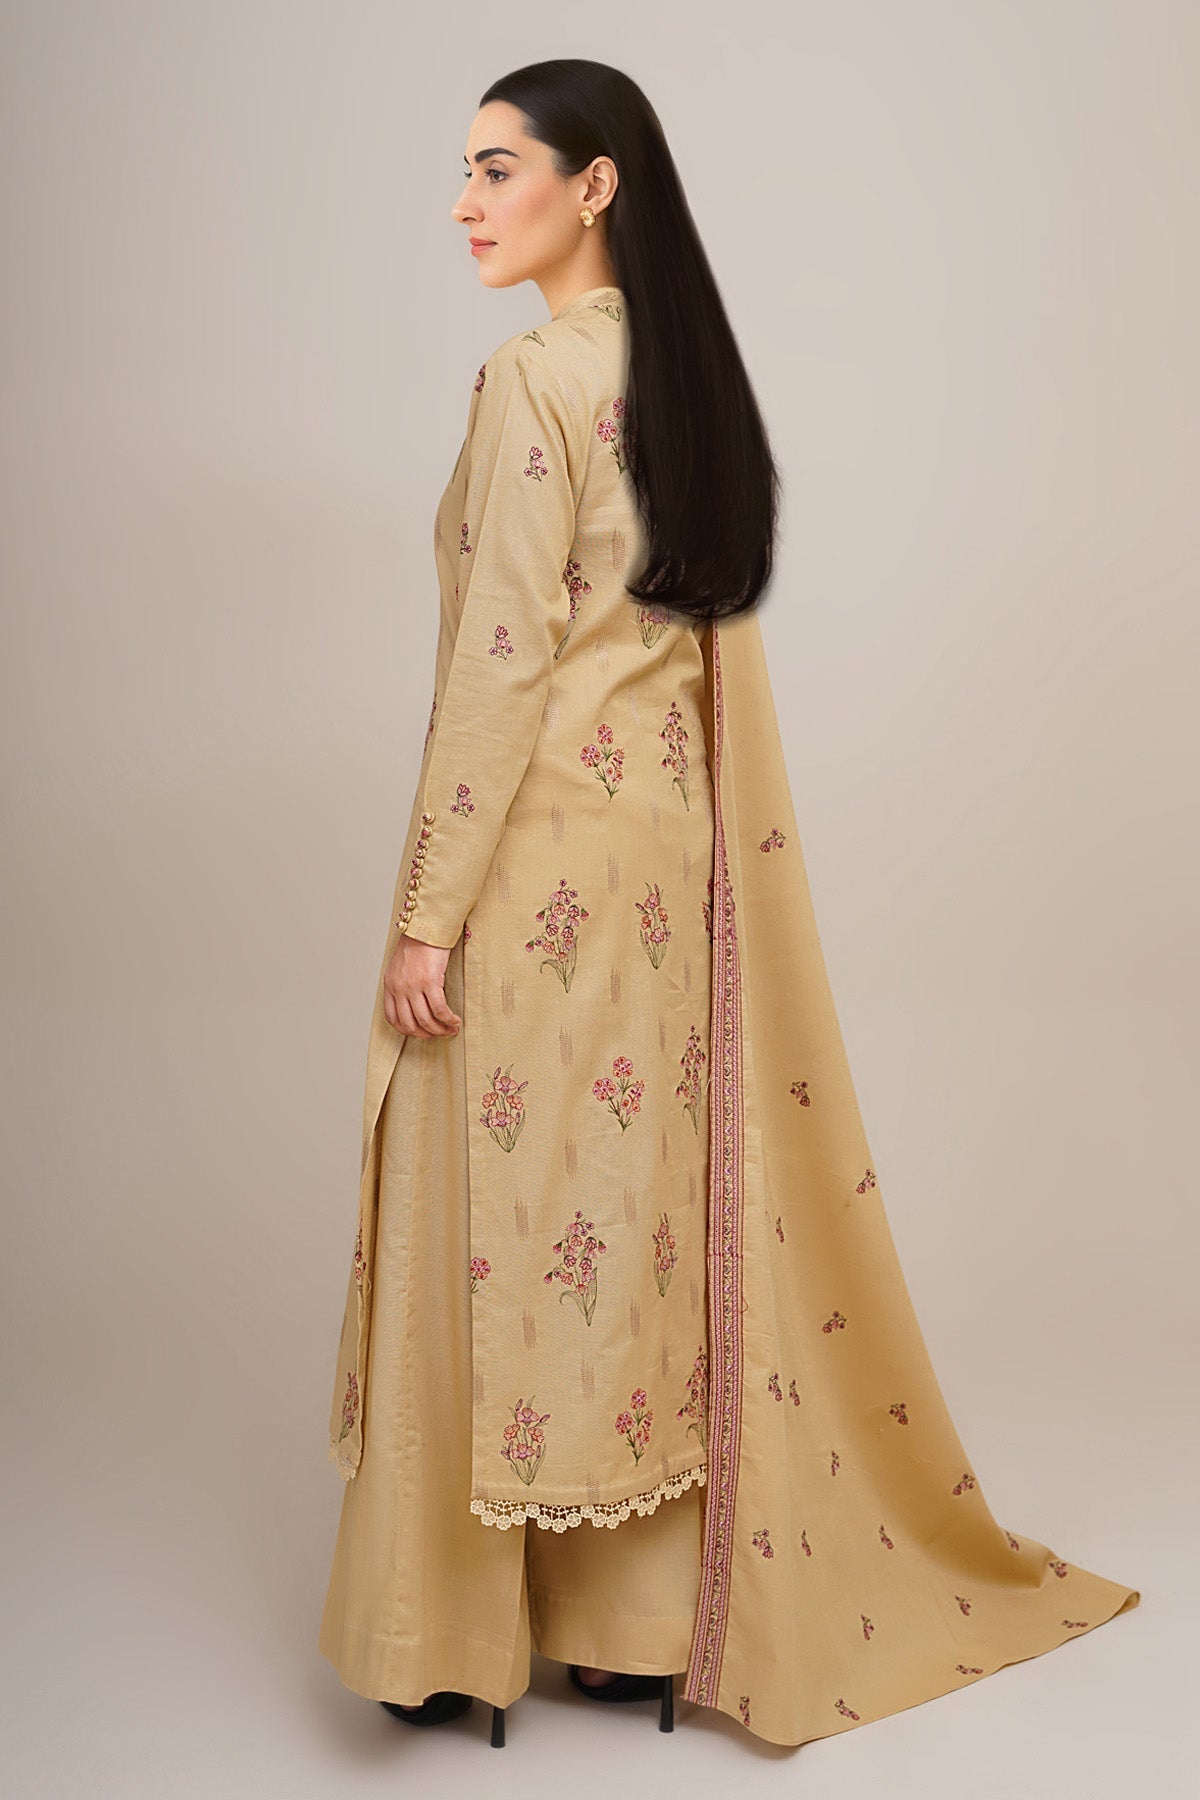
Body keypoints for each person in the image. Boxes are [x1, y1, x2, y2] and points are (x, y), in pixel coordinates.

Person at [319, 60, 1138, 1751]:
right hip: (667, 869)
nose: (465, 202)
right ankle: (628, 1628)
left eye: (496, 168)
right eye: (463, 171)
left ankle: (440, 1637)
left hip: (535, 861)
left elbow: (500, 663)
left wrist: (427, 912)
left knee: (486, 1223)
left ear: (594, 185)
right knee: (628, 1216)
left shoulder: (535, 377)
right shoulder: (689, 375)